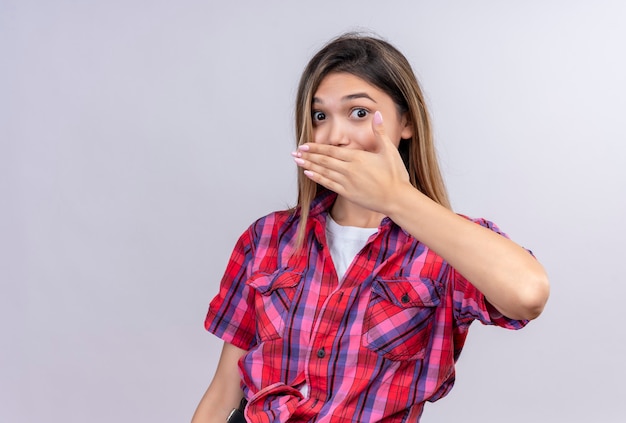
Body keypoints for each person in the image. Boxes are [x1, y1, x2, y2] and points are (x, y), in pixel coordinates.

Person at [191, 32, 550, 423]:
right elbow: (223, 391)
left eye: (359, 113)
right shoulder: (267, 239)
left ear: (406, 122)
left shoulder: (445, 250)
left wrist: (396, 197)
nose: (335, 136)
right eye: (320, 116)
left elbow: (528, 295)